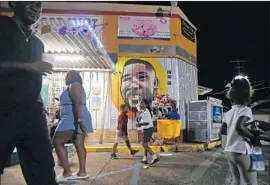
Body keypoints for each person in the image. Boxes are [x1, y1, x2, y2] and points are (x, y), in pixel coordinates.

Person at [0, 2, 58, 185]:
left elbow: (33, 80)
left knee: (44, 174)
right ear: (13, 3)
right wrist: (27, 66)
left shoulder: (37, 43)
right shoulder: (2, 27)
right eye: (30, 2)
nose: (35, 7)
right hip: (3, 112)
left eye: (39, 5)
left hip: (33, 114)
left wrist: (40, 107)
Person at [53, 70, 93, 181]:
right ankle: (82, 172)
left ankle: (67, 173)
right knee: (79, 144)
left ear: (71, 77)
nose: (65, 78)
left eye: (67, 76)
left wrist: (79, 120)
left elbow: (77, 102)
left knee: (57, 142)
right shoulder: (74, 86)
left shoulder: (74, 85)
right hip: (75, 116)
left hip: (73, 117)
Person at [222, 75, 258, 185]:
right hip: (242, 150)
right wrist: (254, 137)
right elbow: (240, 127)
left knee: (236, 180)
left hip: (230, 151)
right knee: (251, 182)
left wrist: (226, 145)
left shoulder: (227, 113)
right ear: (247, 96)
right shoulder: (246, 110)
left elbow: (223, 132)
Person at [136, 99, 160, 165]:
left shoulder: (146, 112)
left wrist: (139, 124)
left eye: (142, 104)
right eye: (141, 103)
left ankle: (154, 157)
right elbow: (138, 107)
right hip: (147, 129)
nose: (141, 105)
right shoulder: (144, 111)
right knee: (145, 145)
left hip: (147, 129)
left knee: (144, 144)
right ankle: (145, 159)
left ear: (146, 105)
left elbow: (147, 123)